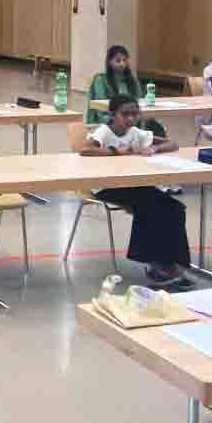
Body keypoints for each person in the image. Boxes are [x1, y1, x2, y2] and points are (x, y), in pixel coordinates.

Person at [82, 96, 194, 288]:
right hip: (107, 186)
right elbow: (86, 150)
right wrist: (117, 152)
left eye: (134, 114)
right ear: (113, 114)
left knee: (175, 208)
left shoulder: (135, 132)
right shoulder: (104, 131)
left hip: (133, 183)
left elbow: (172, 144)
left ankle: (175, 263)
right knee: (151, 207)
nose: (130, 119)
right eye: (125, 114)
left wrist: (155, 148)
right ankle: (156, 263)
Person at [86, 44, 146, 125]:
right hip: (107, 122)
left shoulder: (132, 79)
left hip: (130, 120)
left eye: (124, 60)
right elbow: (100, 108)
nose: (122, 64)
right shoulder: (101, 79)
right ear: (109, 62)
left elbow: (139, 101)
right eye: (118, 61)